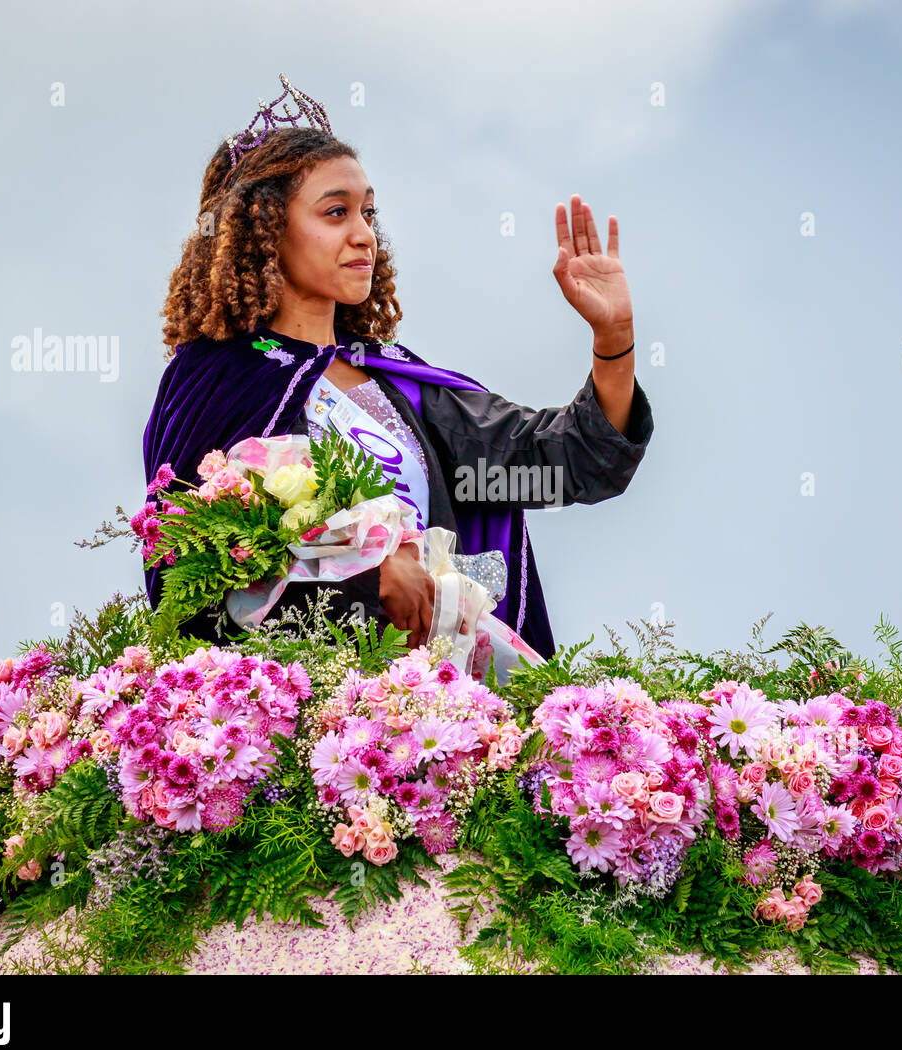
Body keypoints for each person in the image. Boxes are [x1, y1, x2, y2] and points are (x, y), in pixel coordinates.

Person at [142, 82, 653, 660]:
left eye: (367, 211)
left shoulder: (398, 381)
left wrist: (613, 339)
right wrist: (366, 585)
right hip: (306, 707)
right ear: (265, 231)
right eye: (336, 212)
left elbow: (565, 462)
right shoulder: (218, 377)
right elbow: (186, 581)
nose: (364, 233)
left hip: (438, 705)